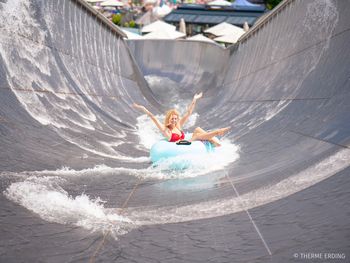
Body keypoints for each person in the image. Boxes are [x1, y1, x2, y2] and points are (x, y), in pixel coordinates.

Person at [133, 92, 230, 147]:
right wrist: (142, 108)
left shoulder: (178, 125)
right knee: (196, 136)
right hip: (180, 147)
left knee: (197, 129)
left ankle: (216, 143)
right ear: (169, 119)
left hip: (186, 143)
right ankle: (217, 132)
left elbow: (188, 113)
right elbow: (153, 117)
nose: (174, 120)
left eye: (176, 119)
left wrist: (194, 99)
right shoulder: (165, 129)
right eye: (172, 119)